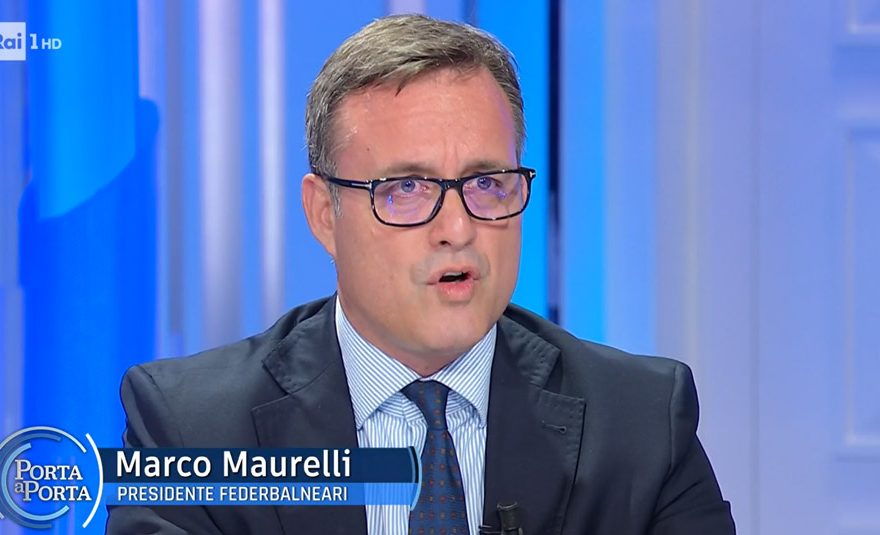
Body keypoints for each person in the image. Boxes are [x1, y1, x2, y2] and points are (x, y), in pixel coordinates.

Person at [107, 14, 735, 535]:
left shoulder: (640, 420)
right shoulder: (192, 429)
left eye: (486, 183)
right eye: (407, 188)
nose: (457, 228)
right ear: (324, 215)